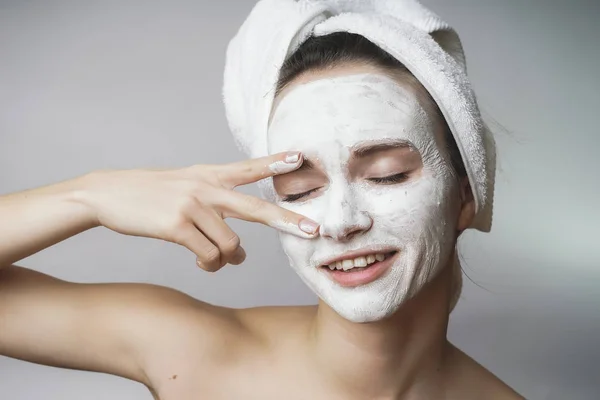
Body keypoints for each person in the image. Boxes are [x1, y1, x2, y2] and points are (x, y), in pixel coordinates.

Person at [0, 3, 524, 400]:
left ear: (464, 197)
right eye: (301, 190)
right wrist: (89, 195)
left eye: (386, 175)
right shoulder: (196, 351)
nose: (341, 223)